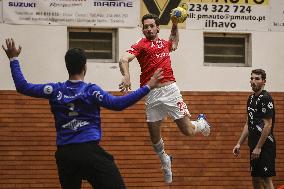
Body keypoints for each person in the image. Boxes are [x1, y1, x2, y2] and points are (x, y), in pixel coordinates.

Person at [2, 38, 164, 189]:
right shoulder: (90, 91)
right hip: (89, 152)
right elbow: (118, 104)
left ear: (67, 67)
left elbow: (22, 86)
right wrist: (148, 86)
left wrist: (13, 59)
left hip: (65, 155)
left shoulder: (54, 90)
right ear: (84, 67)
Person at [118, 13, 211, 184]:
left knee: (188, 131)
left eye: (152, 26)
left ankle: (201, 123)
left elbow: (174, 43)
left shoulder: (164, 44)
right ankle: (165, 161)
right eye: (146, 26)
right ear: (143, 29)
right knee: (154, 138)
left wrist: (175, 24)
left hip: (170, 91)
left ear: (157, 27)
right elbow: (124, 59)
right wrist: (126, 76)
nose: (149, 29)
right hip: (152, 94)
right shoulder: (141, 44)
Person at [233, 69, 276, 189]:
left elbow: (268, 125)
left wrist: (258, 148)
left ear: (264, 82)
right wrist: (239, 143)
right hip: (253, 145)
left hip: (265, 146)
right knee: (255, 179)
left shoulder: (266, 98)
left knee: (265, 179)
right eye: (252, 78)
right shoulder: (251, 99)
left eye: (257, 79)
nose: (253, 81)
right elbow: (248, 123)